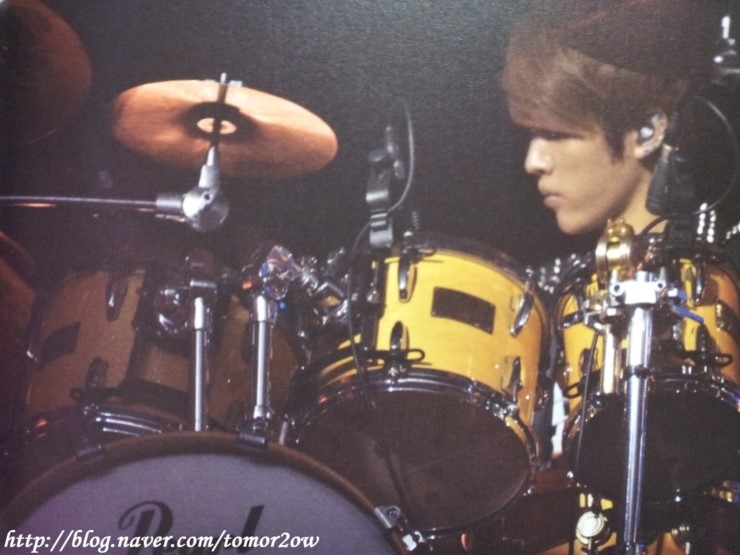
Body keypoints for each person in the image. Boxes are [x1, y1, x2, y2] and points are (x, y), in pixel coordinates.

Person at [467, 1, 740, 553]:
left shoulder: (723, 274)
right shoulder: (544, 294)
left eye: (556, 134)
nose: (533, 161)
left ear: (648, 131)